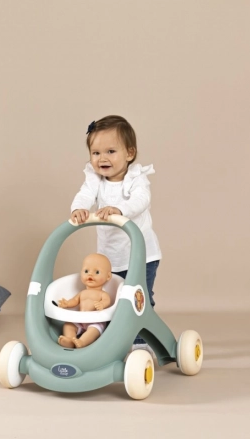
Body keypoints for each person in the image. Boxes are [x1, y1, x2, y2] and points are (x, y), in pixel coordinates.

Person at [70, 115, 161, 349]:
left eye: (111, 151)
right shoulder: (95, 179)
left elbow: (141, 200)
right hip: (110, 257)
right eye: (96, 153)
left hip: (141, 255)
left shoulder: (136, 178)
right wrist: (78, 208)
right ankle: (110, 341)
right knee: (110, 300)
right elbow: (85, 194)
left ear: (129, 153)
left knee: (137, 298)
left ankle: (140, 343)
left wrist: (119, 210)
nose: (102, 158)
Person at [57, 253, 113, 349]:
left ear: (108, 276)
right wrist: (67, 303)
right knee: (68, 324)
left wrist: (102, 304)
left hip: (95, 321)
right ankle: (70, 339)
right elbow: (74, 300)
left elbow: (107, 301)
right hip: (80, 320)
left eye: (97, 272)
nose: (90, 274)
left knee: (94, 330)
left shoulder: (102, 294)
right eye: (86, 271)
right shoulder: (82, 293)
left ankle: (82, 342)